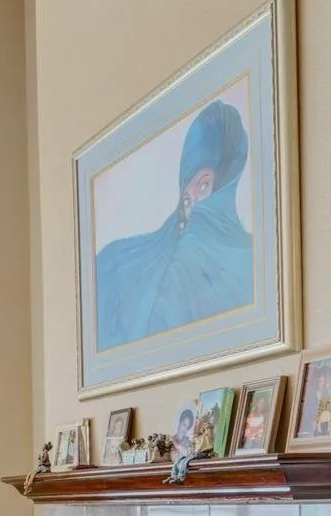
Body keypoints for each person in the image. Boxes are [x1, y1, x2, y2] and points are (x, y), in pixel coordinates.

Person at [94, 99, 254, 350]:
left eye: (204, 186)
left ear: (226, 179)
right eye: (186, 197)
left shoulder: (253, 262)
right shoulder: (125, 263)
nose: (191, 208)